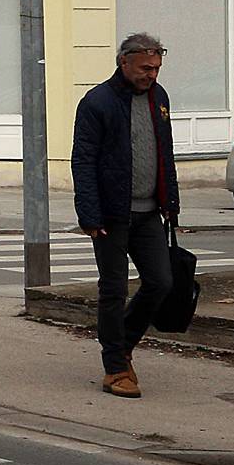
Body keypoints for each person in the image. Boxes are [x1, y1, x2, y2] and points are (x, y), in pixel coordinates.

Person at [71, 31, 178, 398]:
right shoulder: (97, 102)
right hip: (112, 215)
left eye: (157, 68)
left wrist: (171, 204)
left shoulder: (158, 98)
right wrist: (89, 213)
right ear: (124, 62)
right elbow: (83, 160)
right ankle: (115, 368)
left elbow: (165, 152)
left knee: (161, 282)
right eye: (146, 68)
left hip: (150, 213)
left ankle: (124, 343)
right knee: (113, 289)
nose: (152, 75)